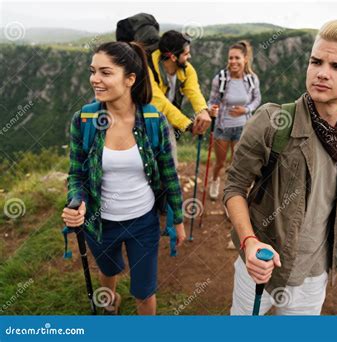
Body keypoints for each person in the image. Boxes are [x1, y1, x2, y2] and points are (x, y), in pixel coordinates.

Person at [223, 19, 337, 315]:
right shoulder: (272, 122)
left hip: (315, 273)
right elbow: (234, 187)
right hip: (261, 266)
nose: (322, 73)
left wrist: (336, 248)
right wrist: (249, 243)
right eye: (316, 61)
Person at [61, 41, 185, 315]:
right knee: (108, 269)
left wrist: (177, 219)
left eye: (105, 72)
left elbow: (168, 175)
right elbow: (77, 173)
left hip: (143, 222)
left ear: (130, 79)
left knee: (144, 292)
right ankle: (110, 304)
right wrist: (77, 201)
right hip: (99, 221)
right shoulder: (83, 120)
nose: (95, 79)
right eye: (93, 71)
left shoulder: (154, 121)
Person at [148, 30, 212, 164]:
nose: (189, 57)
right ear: (173, 57)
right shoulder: (148, 69)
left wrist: (203, 111)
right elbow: (161, 104)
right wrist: (188, 125)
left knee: (171, 164)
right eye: (186, 54)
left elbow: (194, 91)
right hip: (146, 121)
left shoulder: (187, 69)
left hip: (167, 121)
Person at [207, 41, 261, 200]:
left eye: (237, 58)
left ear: (245, 59)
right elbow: (212, 100)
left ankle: (231, 196)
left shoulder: (251, 79)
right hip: (223, 127)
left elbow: (257, 99)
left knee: (236, 165)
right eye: (230, 58)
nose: (233, 62)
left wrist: (246, 109)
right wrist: (212, 108)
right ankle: (215, 180)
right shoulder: (221, 79)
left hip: (243, 128)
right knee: (220, 163)